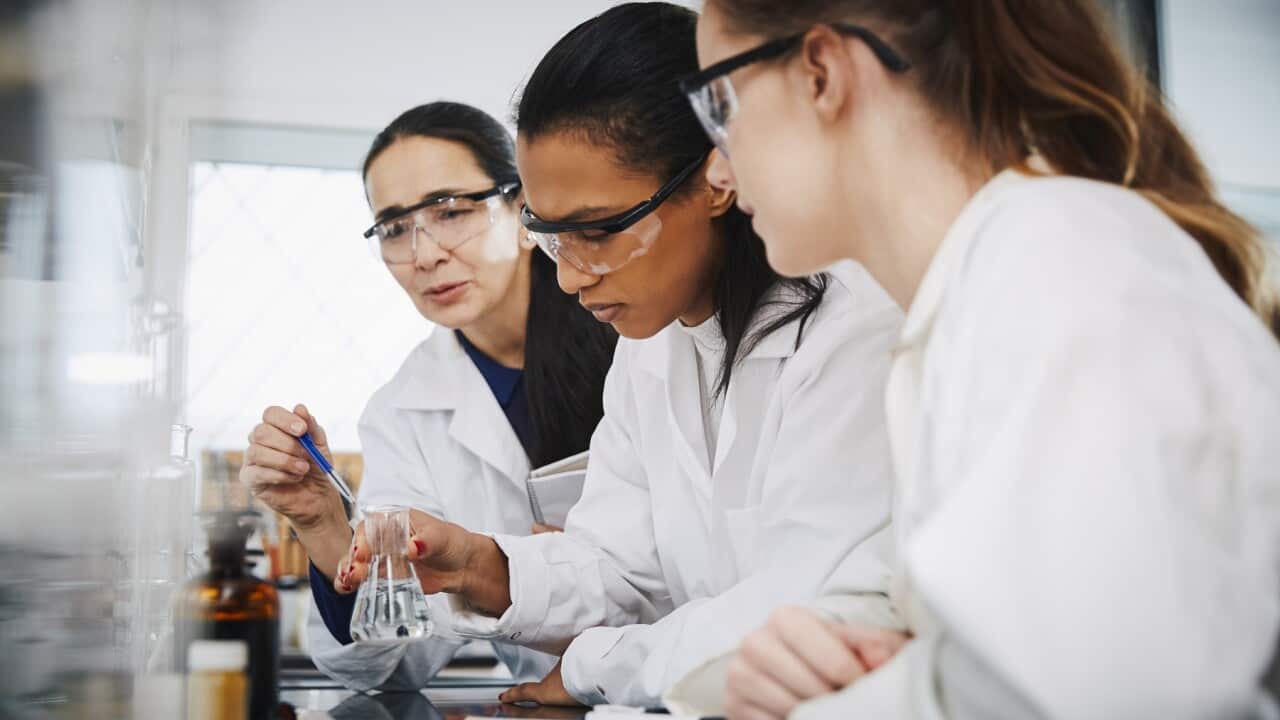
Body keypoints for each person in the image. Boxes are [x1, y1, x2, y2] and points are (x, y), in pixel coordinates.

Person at [674, 0, 1280, 717]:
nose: (718, 163)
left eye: (722, 102)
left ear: (821, 72)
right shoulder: (982, 286)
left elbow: (1123, 698)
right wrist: (864, 669)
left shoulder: (1056, 262)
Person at [334, 2, 902, 708]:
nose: (569, 277)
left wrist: (587, 666)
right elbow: (621, 567)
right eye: (551, 236)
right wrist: (479, 563)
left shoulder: (853, 324)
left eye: (597, 232)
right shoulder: (652, 348)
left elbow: (803, 610)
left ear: (716, 175)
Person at [238, 101, 618, 691]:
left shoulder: (636, 334)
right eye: (394, 228)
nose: (424, 254)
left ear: (523, 212)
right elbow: (389, 668)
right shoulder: (403, 415)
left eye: (450, 211)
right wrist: (323, 529)